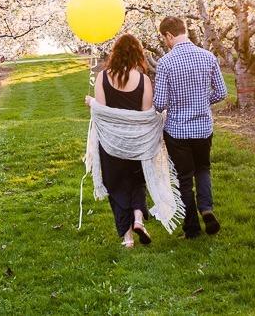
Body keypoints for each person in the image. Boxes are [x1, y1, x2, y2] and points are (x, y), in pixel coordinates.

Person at [154, 16, 227, 239]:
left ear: (169, 35)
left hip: (177, 130)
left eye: (164, 38)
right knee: (203, 168)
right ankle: (206, 208)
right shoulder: (208, 57)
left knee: (185, 178)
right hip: (203, 127)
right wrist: (203, 101)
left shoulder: (166, 63)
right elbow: (222, 92)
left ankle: (192, 229)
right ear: (184, 30)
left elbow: (159, 103)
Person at [85, 34, 155, 249]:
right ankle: (138, 220)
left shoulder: (103, 77)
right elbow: (145, 113)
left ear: (114, 53)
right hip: (135, 142)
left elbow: (103, 113)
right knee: (136, 183)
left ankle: (127, 239)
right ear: (137, 54)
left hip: (111, 143)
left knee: (116, 187)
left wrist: (93, 104)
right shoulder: (143, 80)